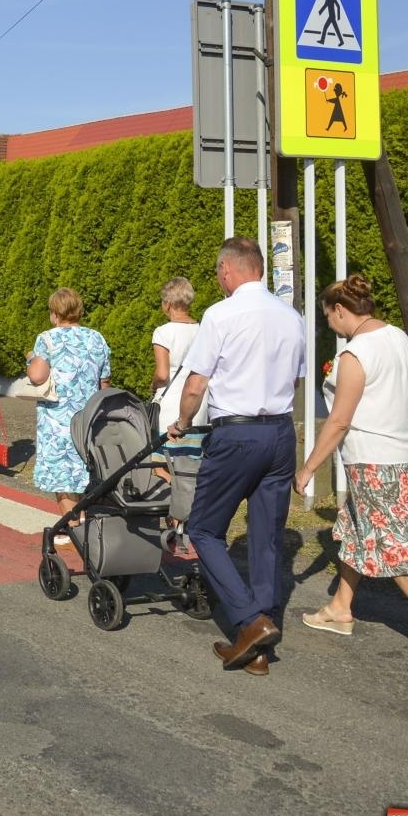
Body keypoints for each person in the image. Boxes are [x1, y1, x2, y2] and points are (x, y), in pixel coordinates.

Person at [293, 275, 408, 671]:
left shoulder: (355, 356)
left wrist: (308, 468)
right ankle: (341, 608)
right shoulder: (398, 338)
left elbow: (339, 421)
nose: (330, 327)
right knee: (358, 529)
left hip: (373, 461)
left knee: (394, 548)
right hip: (406, 456)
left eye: (329, 318)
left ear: (340, 310)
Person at [168, 237, 307, 677]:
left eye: (218, 273)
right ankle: (261, 646)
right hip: (281, 433)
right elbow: (296, 381)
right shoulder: (291, 317)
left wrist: (184, 422)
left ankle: (250, 623)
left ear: (227, 270)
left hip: (236, 435)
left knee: (205, 529)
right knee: (266, 537)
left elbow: (196, 384)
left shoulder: (221, 314)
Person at [26, 287, 112, 521]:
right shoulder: (97, 338)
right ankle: (83, 521)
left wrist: (31, 358)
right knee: (85, 470)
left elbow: (37, 376)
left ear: (55, 313)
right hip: (90, 416)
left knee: (62, 474)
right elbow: (104, 381)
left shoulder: (47, 339)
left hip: (58, 418)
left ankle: (73, 526)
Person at [151, 277, 206, 435]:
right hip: (198, 404)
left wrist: (153, 385)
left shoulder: (163, 332)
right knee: (194, 456)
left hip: (171, 404)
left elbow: (162, 374)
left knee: (168, 456)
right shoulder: (202, 329)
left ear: (167, 304)